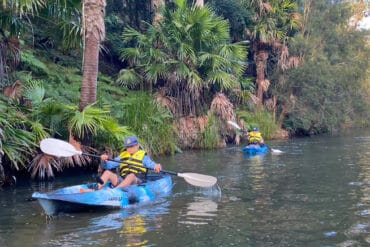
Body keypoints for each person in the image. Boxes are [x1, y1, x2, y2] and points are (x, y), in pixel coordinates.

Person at [80, 136, 162, 192]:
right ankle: (95, 189)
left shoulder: (143, 156)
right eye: (127, 147)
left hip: (137, 182)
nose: (129, 149)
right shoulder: (122, 156)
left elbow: (152, 165)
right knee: (107, 173)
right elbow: (107, 166)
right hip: (123, 181)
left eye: (131, 146)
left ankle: (115, 191)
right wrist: (103, 160)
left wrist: (157, 166)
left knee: (131, 176)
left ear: (137, 146)